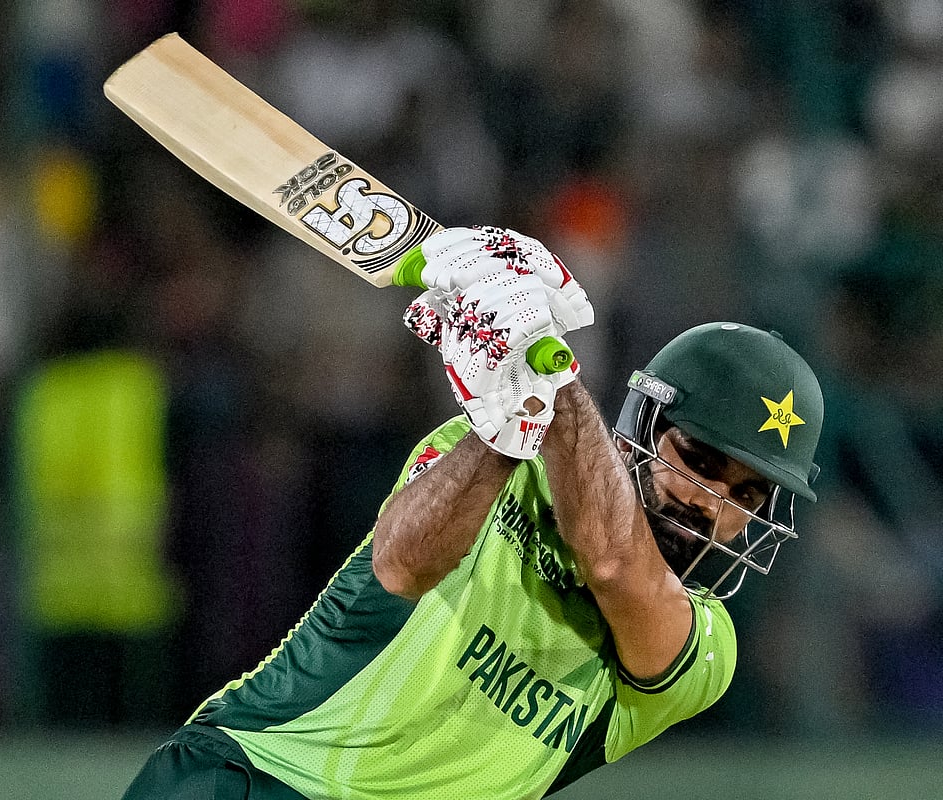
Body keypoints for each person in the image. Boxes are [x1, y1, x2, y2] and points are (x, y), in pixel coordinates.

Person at [123, 226, 824, 799]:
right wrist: (512, 419)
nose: (709, 503)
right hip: (253, 774)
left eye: (747, 496)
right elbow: (402, 562)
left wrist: (550, 371)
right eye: (697, 460)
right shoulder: (488, 455)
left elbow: (614, 563)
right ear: (640, 425)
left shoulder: (708, 648)